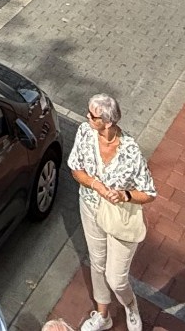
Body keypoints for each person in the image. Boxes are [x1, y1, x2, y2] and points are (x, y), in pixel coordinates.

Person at [67, 92, 156, 331]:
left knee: (116, 278)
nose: (87, 117)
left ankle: (130, 305)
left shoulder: (131, 151)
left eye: (92, 115)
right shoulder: (85, 132)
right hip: (89, 207)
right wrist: (95, 184)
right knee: (97, 264)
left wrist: (125, 195)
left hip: (119, 218)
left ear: (107, 122)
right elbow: (75, 168)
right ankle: (103, 315)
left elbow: (149, 192)